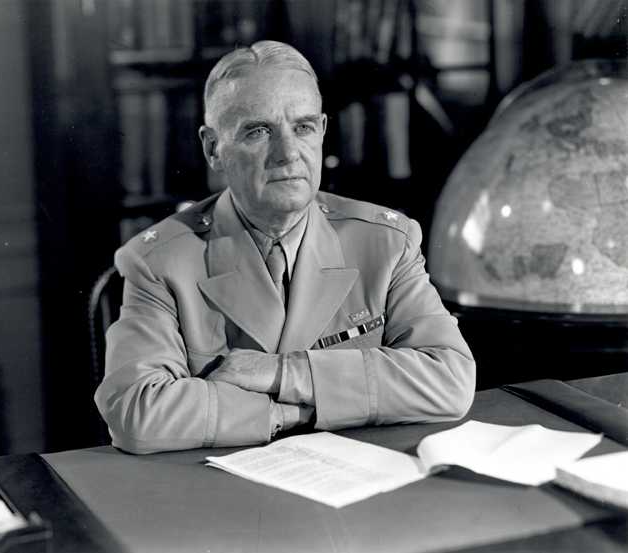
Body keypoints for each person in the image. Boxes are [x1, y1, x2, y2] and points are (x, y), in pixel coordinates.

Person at [95, 40, 475, 454]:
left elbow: (450, 380)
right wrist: (295, 413)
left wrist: (282, 373)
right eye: (258, 132)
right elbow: (138, 413)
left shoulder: (385, 242)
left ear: (324, 132)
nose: (288, 153)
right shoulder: (161, 261)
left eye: (304, 127)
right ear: (213, 149)